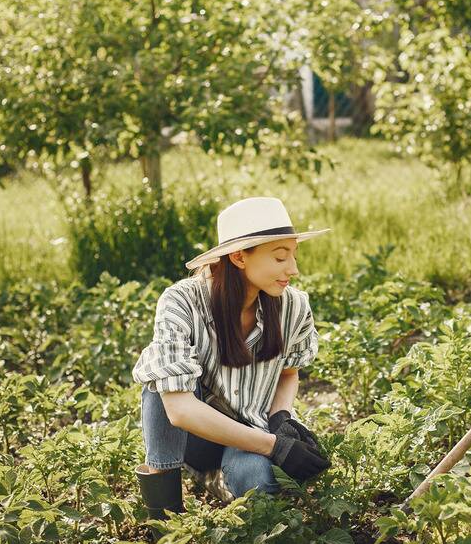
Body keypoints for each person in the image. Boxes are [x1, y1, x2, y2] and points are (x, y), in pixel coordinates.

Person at [132, 196, 331, 524]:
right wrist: (274, 446)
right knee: (159, 384)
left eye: (294, 255)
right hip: (194, 438)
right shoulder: (183, 302)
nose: (293, 269)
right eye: (280, 257)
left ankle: (223, 485)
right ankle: (164, 524)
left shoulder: (293, 306)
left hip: (250, 431)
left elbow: (288, 372)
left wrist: (280, 418)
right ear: (239, 257)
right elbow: (179, 411)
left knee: (256, 482)